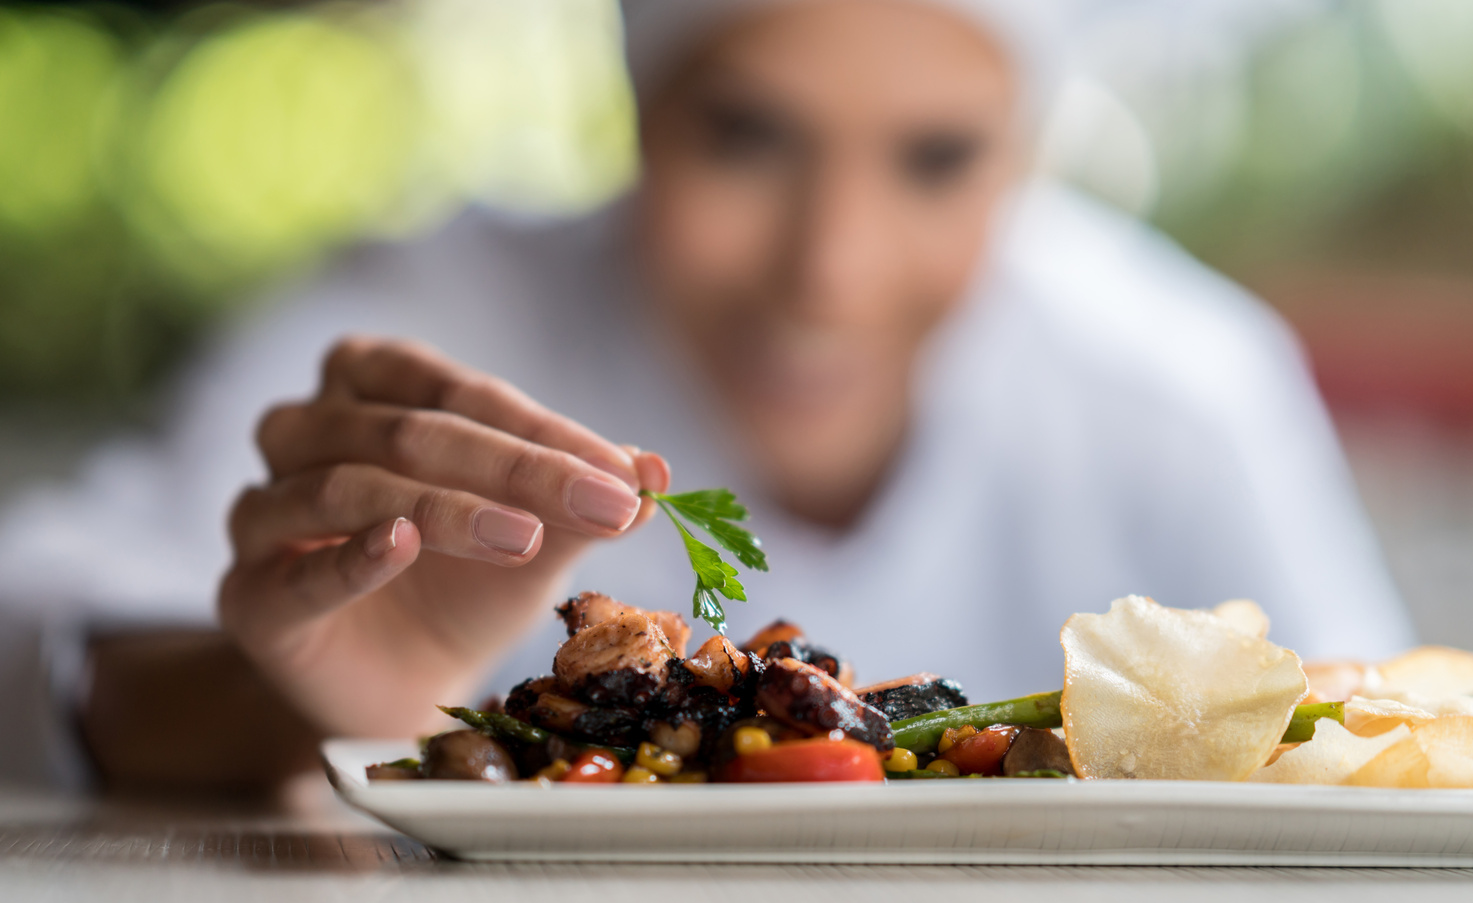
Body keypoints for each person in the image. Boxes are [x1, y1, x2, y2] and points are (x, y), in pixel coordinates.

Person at [0, 0, 1414, 792]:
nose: (831, 272)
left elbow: (1377, 751)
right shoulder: (430, 322)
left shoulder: (1177, 383)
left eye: (932, 158)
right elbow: (42, 652)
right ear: (636, 105)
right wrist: (292, 700)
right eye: (747, 136)